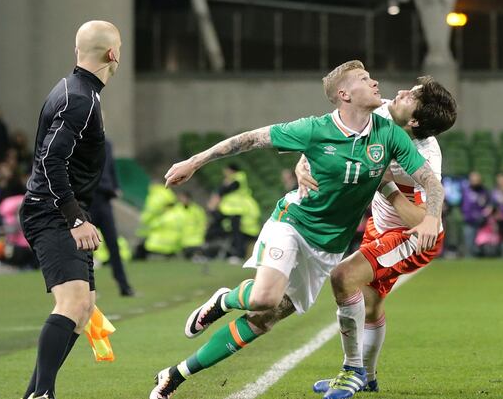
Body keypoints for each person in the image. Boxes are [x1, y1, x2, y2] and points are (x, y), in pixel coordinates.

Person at [150, 60, 444, 399]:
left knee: (264, 319)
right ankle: (227, 300)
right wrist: (194, 161)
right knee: (265, 297)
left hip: (328, 246)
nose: (378, 83)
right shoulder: (315, 127)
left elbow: (430, 181)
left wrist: (429, 216)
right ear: (345, 95)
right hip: (294, 222)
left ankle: (175, 374)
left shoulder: (390, 133)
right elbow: (251, 139)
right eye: (365, 79)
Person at [299, 76, 457, 398]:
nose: (400, 91)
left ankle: (352, 371)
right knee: (370, 304)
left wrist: (385, 186)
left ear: (414, 121)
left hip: (412, 237)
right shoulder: (380, 111)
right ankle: (368, 379)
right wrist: (302, 163)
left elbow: (425, 221)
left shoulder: (425, 156)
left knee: (343, 277)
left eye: (411, 95)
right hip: (379, 227)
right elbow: (329, 129)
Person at [18, 20, 121, 399]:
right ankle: (43, 394)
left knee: (83, 309)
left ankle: (35, 394)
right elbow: (51, 160)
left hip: (60, 209)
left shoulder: (77, 91)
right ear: (113, 54)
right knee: (73, 303)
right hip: (53, 211)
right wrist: (75, 217)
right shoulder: (80, 99)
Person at [89, 138, 134, 297]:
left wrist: (115, 186)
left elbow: (111, 167)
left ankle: (124, 286)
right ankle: (89, 289)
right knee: (86, 248)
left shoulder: (107, 144)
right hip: (89, 200)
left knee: (113, 245)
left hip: (104, 200)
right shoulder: (82, 141)